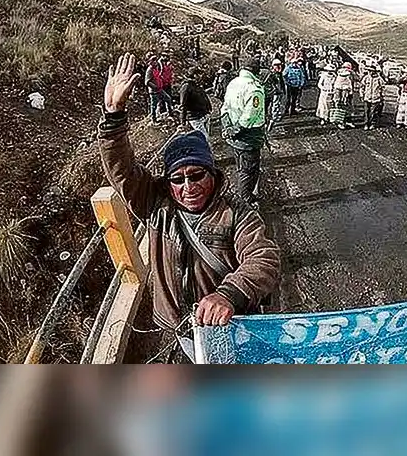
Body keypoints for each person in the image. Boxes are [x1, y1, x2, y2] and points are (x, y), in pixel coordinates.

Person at [98, 54, 280, 359]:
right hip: (181, 328)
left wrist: (229, 295)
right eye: (178, 179)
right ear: (167, 181)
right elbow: (122, 171)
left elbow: (263, 257)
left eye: (196, 175)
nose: (188, 186)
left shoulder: (237, 213)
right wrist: (114, 115)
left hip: (229, 325)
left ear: (212, 173)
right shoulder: (156, 204)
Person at [221, 56, 267, 206]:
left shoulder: (233, 83)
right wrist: (236, 130)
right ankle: (246, 200)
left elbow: (225, 107)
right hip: (248, 136)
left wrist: (228, 128)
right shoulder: (255, 88)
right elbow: (250, 116)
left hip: (234, 133)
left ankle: (244, 196)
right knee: (249, 170)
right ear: (256, 71)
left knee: (241, 167)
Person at [261, 60, 287, 133]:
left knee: (275, 105)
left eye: (279, 65)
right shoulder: (271, 74)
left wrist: (283, 90)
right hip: (271, 92)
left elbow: (281, 82)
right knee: (269, 106)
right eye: (276, 65)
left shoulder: (279, 73)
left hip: (274, 92)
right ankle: (270, 120)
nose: (279, 66)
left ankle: (271, 119)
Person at [144, 56, 171, 122]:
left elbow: (160, 71)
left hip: (159, 89)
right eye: (153, 60)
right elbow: (147, 82)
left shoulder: (155, 68)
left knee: (168, 99)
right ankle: (153, 119)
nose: (155, 62)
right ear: (150, 62)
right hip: (154, 91)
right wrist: (155, 87)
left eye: (155, 60)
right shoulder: (149, 70)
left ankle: (170, 113)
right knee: (154, 105)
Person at [360, 65, 387, 130]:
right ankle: (366, 124)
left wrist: (382, 96)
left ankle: (373, 123)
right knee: (366, 111)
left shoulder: (379, 79)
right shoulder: (366, 78)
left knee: (373, 112)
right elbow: (362, 87)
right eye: (369, 71)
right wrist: (361, 95)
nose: (371, 72)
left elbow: (383, 88)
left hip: (376, 98)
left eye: (372, 71)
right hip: (367, 97)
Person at [331, 62, 354, 130]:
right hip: (340, 96)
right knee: (341, 107)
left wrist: (349, 92)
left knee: (348, 107)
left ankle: (348, 121)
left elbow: (350, 85)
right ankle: (340, 122)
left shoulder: (349, 76)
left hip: (347, 94)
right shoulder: (339, 79)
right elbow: (337, 89)